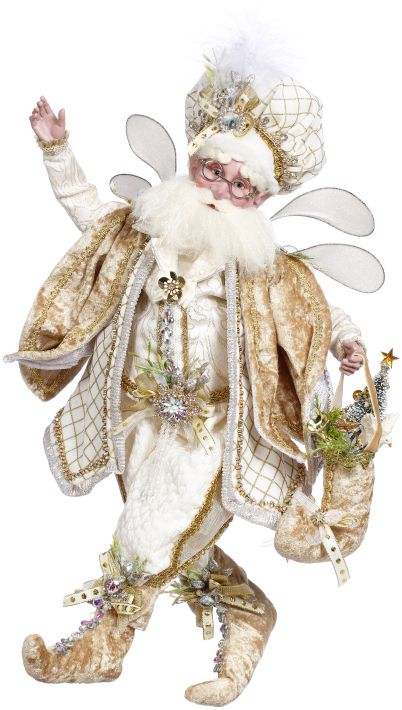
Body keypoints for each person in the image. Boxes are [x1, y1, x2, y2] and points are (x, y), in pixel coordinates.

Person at [5, 50, 366, 706]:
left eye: (239, 186)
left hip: (215, 430)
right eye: (213, 172)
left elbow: (316, 311)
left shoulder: (264, 268)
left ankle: (101, 647)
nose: (220, 191)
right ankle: (249, 613)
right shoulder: (143, 235)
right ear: (194, 164)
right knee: (176, 537)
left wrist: (346, 341)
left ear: (259, 198)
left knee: (147, 535)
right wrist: (57, 151)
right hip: (141, 418)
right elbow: (87, 210)